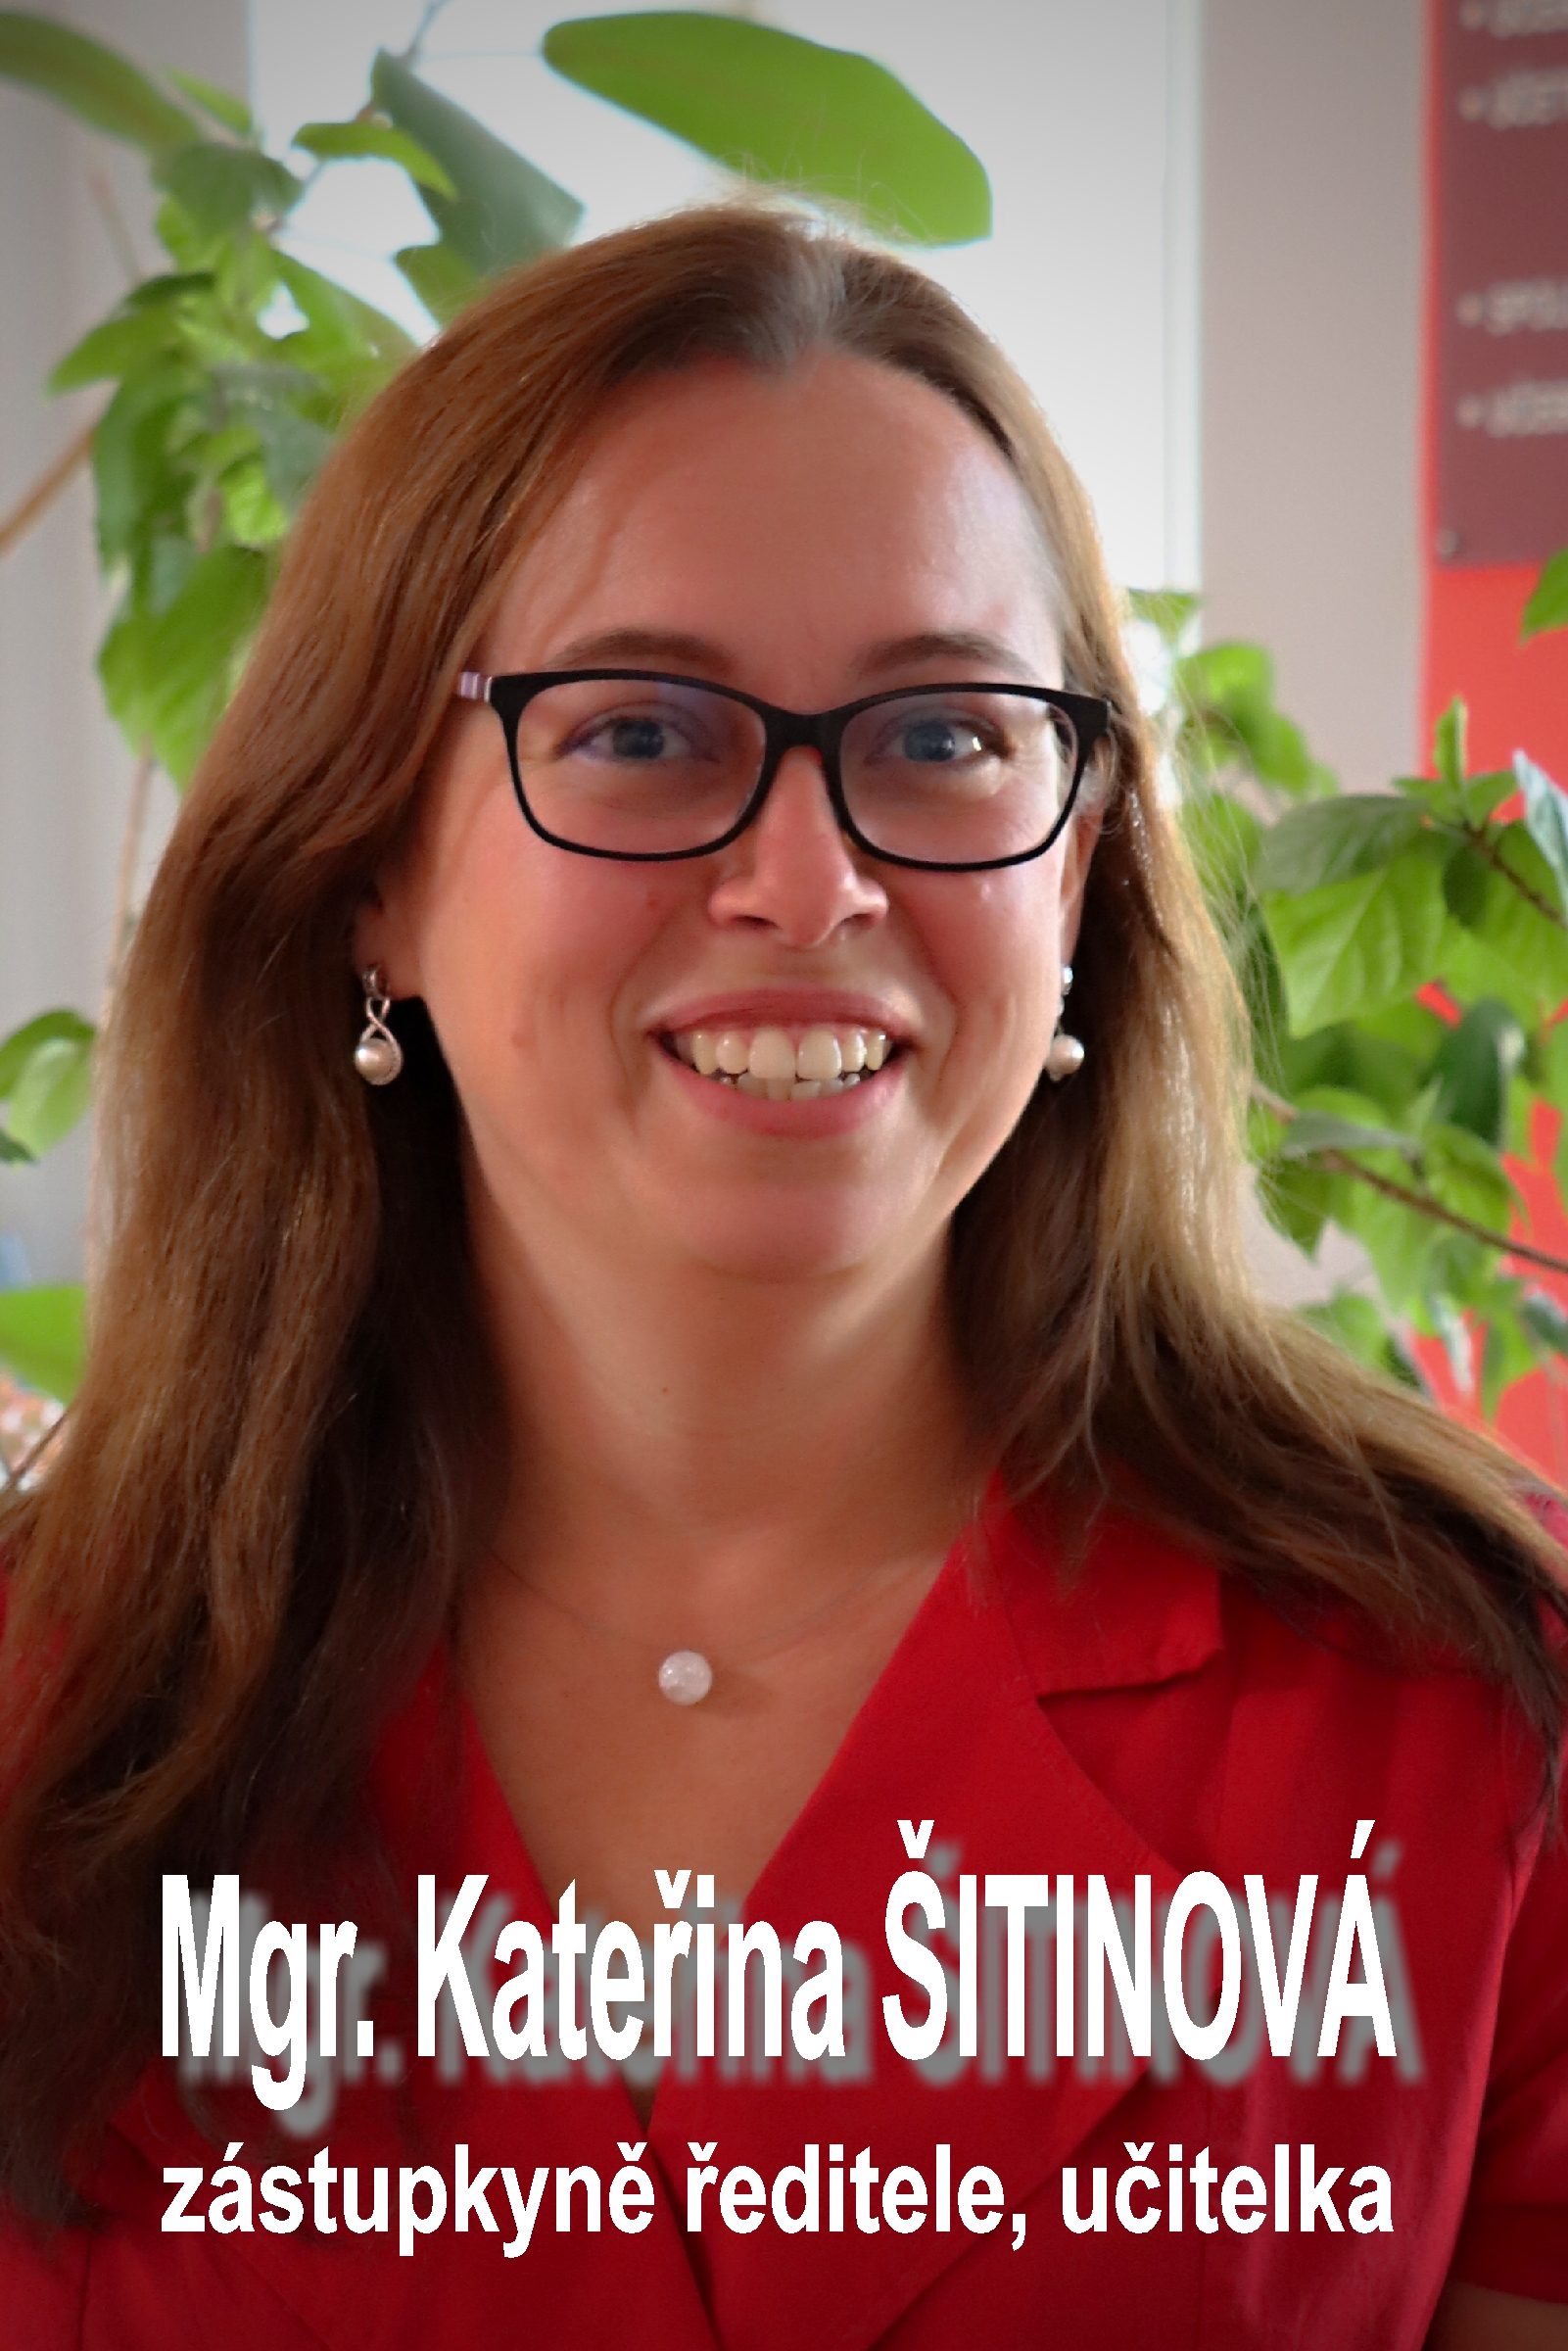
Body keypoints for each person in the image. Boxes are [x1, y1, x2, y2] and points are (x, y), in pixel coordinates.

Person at [0, 205, 1564, 2350]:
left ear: (1081, 869)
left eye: (945, 736)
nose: (811, 884)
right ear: (367, 865)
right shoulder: (42, 1708)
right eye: (643, 733)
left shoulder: (1463, 1705)